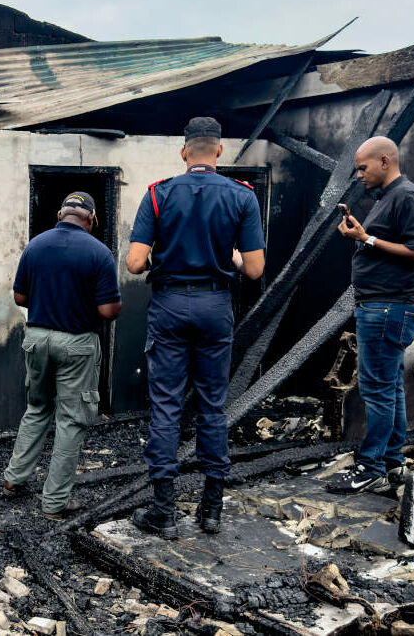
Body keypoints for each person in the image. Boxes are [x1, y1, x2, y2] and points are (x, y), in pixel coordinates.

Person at [125, 117, 265, 539]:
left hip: (169, 303)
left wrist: (164, 260)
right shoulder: (243, 197)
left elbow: (134, 263)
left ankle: (164, 514)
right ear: (219, 150)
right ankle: (211, 511)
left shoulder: (158, 194)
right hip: (215, 306)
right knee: (212, 405)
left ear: (184, 152)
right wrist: (230, 261)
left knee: (166, 406)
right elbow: (255, 269)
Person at [2, 192, 122, 520]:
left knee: (38, 407)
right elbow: (108, 310)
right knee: (71, 420)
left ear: (60, 214)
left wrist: (49, 300)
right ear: (91, 219)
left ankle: (14, 479)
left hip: (37, 338)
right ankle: (54, 503)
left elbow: (20, 296)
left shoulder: (36, 245)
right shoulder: (99, 253)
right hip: (77, 343)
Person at [327, 136, 414, 494]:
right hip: (384, 305)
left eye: (363, 167)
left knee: (376, 389)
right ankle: (392, 464)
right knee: (389, 387)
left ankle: (369, 466)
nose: (359, 175)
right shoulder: (388, 198)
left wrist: (368, 240)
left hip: (390, 306)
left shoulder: (406, 196)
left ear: (385, 161)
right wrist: (362, 235)